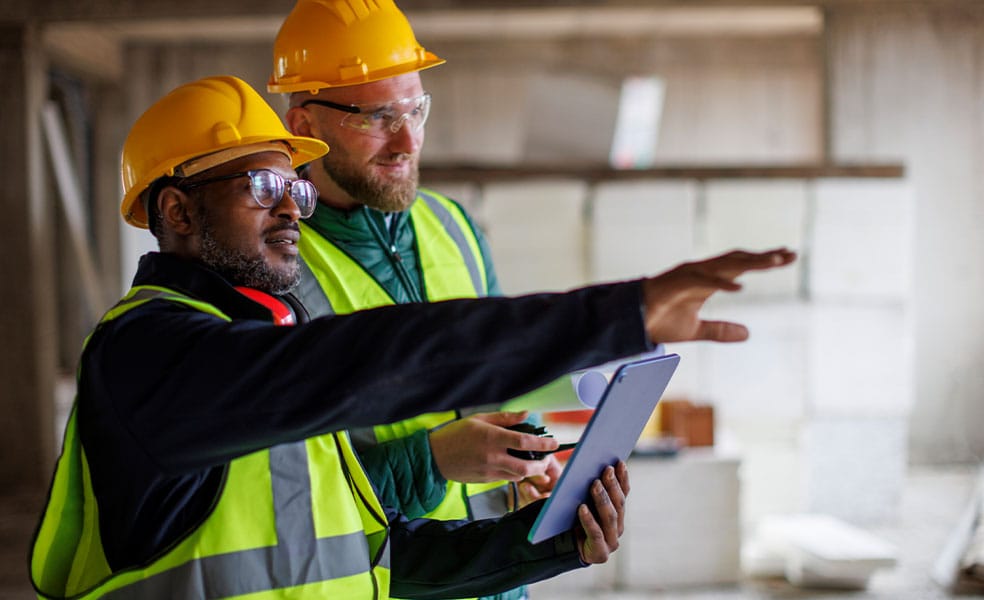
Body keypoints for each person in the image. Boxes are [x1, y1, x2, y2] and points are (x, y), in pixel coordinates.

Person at [29, 75, 795, 600]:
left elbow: (376, 562)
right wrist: (614, 316)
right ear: (178, 213)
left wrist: (554, 540)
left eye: (295, 187)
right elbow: (376, 358)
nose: (293, 209)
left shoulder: (261, 346)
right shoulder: (151, 356)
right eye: (262, 187)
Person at [267, 5, 569, 584]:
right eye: (377, 116)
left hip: (496, 572)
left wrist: (529, 455)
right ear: (304, 125)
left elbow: (506, 374)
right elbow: (281, 492)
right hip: (385, 581)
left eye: (415, 109)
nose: (407, 139)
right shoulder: (271, 270)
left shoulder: (453, 225)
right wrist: (430, 461)